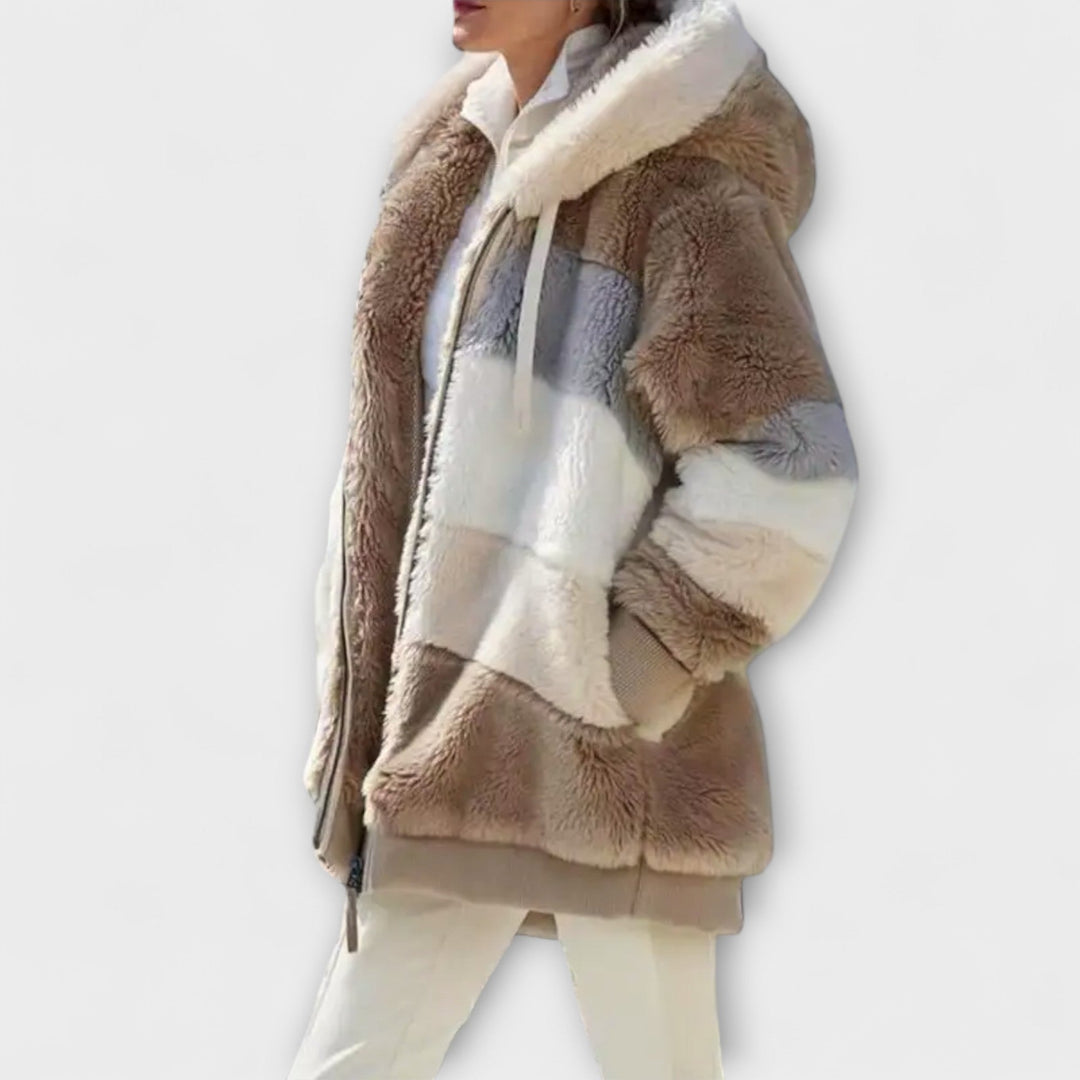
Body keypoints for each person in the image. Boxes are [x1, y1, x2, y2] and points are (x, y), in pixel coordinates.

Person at [289, 0, 859, 1076]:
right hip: (444, 752)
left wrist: (617, 681)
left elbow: (791, 469)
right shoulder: (455, 164)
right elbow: (392, 466)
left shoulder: (681, 181)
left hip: (615, 770)